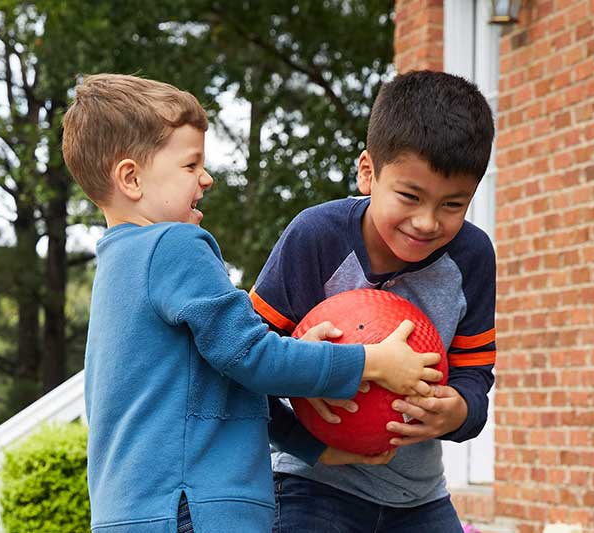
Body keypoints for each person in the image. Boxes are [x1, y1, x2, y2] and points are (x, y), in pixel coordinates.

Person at [61, 73, 444, 533]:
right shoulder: (175, 246)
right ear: (131, 177)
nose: (206, 178)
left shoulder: (119, 265)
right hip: (196, 509)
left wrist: (316, 448)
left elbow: (226, 388)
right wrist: (369, 362)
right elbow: (251, 357)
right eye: (190, 166)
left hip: (134, 511)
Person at [251, 70, 497, 532]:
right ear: (368, 172)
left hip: (419, 498)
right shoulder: (315, 238)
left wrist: (457, 411)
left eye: (452, 205)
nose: (426, 222)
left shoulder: (473, 257)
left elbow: (475, 375)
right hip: (312, 486)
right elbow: (242, 364)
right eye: (410, 195)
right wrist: (305, 438)